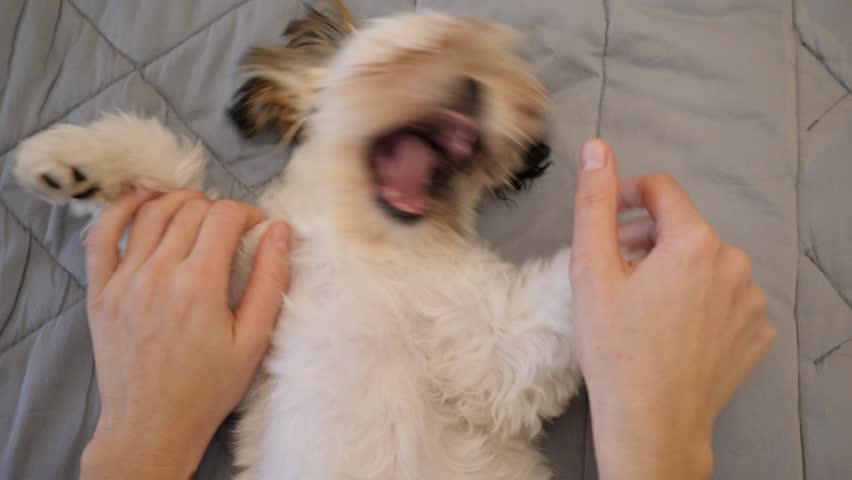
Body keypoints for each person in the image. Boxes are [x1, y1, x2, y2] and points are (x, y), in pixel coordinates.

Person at [79, 139, 774, 480]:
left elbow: (513, 354)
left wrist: (138, 445)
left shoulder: (453, 277)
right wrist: (660, 452)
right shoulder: (285, 232)